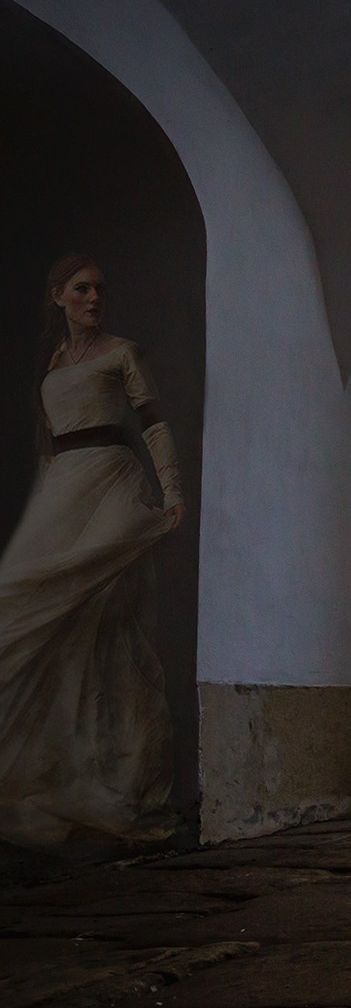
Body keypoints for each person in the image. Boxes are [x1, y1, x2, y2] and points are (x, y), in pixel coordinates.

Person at [0, 254, 183, 847]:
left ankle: (132, 788)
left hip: (114, 480)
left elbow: (153, 423)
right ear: (58, 296)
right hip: (63, 490)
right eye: (82, 289)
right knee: (36, 609)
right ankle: (57, 776)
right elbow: (50, 448)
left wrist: (172, 490)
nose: (94, 297)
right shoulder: (53, 363)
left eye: (101, 288)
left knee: (114, 629)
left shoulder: (123, 352)